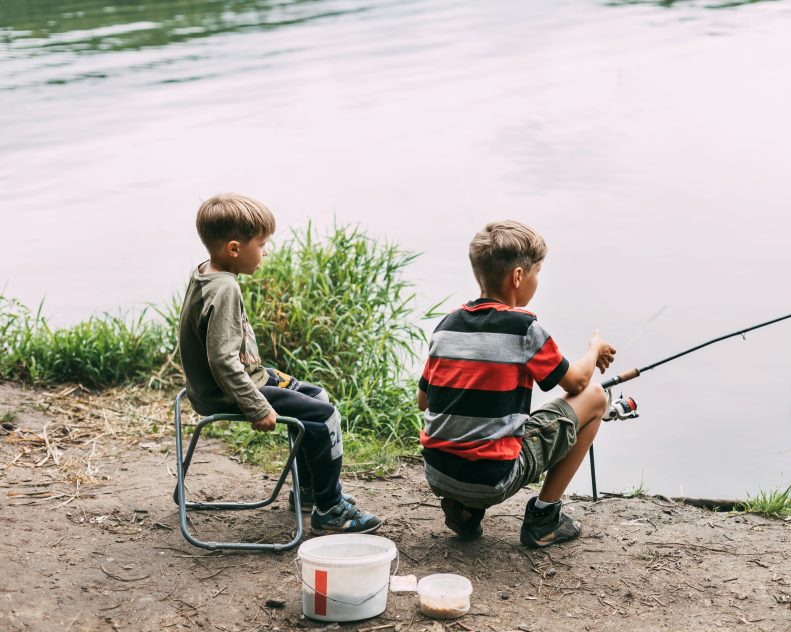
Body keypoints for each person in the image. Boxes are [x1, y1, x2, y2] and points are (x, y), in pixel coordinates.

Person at [178, 192, 381, 534]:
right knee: (326, 417)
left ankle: (308, 490)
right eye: (261, 244)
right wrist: (257, 407)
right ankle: (330, 507)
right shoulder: (225, 288)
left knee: (317, 396)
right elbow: (223, 362)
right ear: (233, 249)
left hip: (244, 378)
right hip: (230, 390)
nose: (266, 251)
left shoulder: (207, 272)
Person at [417, 219, 617, 548]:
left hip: (439, 473)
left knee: (486, 423)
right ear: (519, 277)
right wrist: (593, 350)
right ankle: (545, 517)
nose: (538, 280)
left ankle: (465, 509)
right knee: (596, 397)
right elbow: (579, 381)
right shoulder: (523, 328)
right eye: (537, 272)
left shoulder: (446, 326)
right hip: (492, 479)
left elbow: (423, 402)